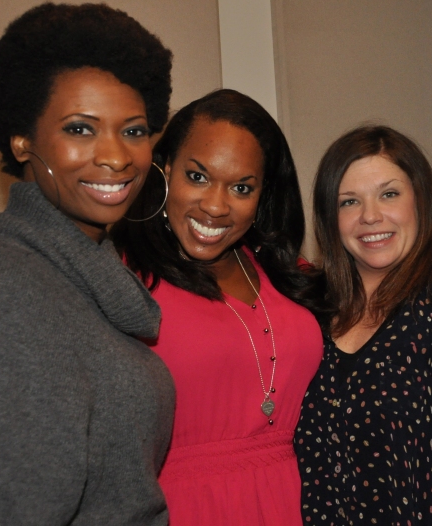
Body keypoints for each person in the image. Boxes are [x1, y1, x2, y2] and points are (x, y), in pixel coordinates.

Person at [0, 2, 175, 525]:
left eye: (134, 131)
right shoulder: (3, 290)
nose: (115, 156)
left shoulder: (84, 277)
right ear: (22, 140)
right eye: (81, 129)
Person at [112, 89, 324, 526]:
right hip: (181, 509)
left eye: (241, 187)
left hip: (293, 502)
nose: (215, 206)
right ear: (166, 168)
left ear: (263, 196)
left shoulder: (287, 275)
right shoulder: (122, 279)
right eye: (198, 177)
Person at [295, 125, 432, 525]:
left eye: (389, 194)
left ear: (420, 199)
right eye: (349, 202)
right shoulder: (307, 309)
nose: (370, 216)